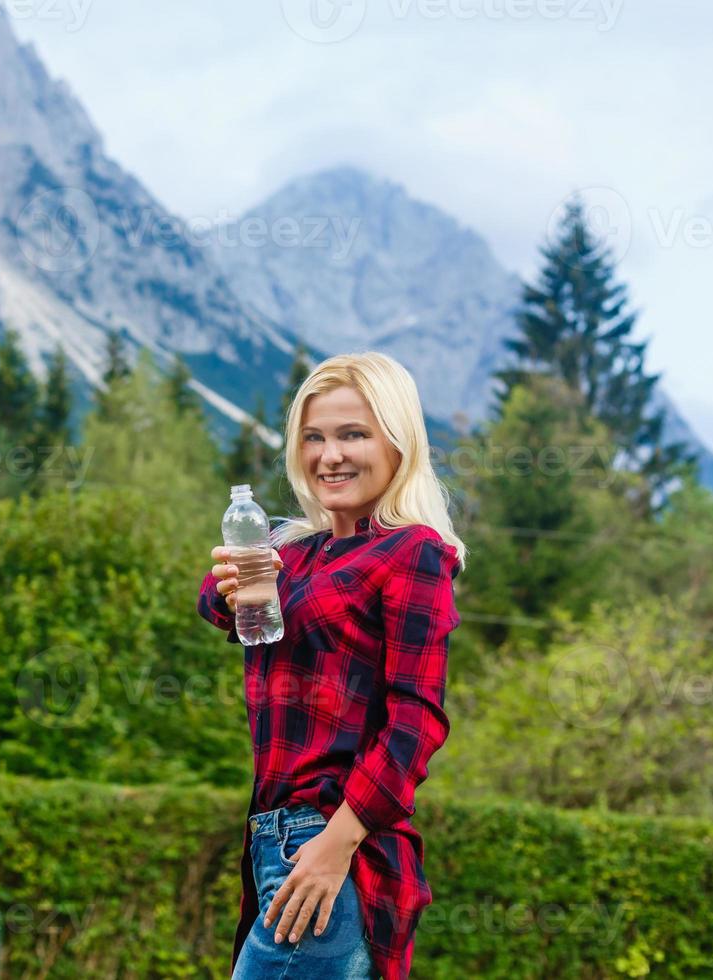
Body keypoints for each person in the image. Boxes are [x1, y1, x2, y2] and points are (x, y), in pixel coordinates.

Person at [198, 351, 467, 980]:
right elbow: (217, 606)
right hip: (276, 838)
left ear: (398, 444)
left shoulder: (414, 552)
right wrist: (231, 582)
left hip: (336, 840)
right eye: (314, 437)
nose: (330, 455)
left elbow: (415, 723)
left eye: (353, 434)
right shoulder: (299, 550)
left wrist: (335, 845)